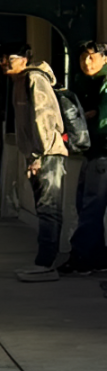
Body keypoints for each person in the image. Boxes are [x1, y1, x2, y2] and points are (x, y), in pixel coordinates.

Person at [0, 43, 67, 282]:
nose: (6, 62)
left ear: (26, 58)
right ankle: (45, 262)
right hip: (38, 155)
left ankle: (46, 264)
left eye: (11, 58)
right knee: (44, 209)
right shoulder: (19, 82)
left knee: (49, 209)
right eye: (2, 59)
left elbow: (45, 119)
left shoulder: (35, 80)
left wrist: (38, 156)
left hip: (47, 154)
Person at [65, 41, 107, 274]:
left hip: (102, 151)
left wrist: (92, 115)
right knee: (86, 204)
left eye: (91, 57)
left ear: (105, 58)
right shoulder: (91, 83)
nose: (86, 62)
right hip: (93, 151)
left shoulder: (103, 84)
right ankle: (97, 257)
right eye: (83, 57)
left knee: (90, 206)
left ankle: (81, 257)